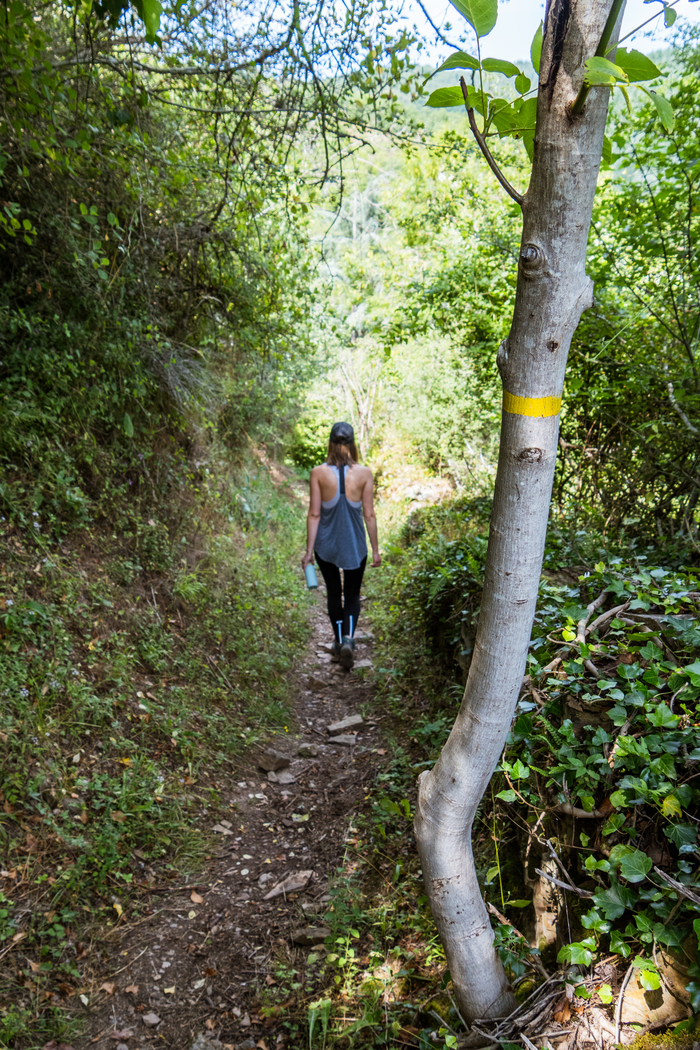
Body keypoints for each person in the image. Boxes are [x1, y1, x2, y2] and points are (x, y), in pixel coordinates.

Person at [301, 421, 380, 670]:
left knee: (335, 593)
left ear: (330, 443)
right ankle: (348, 639)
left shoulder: (318, 473)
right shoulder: (365, 473)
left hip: (326, 546)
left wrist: (308, 551)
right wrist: (375, 549)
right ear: (353, 443)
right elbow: (369, 515)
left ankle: (337, 640)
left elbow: (314, 514)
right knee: (353, 593)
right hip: (355, 545)